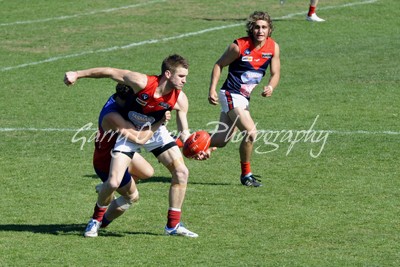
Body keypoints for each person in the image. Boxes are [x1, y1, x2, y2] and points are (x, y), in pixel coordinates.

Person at [64, 54, 202, 238]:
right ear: (168, 74)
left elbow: (184, 132)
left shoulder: (180, 99)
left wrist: (198, 148)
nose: (185, 80)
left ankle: (173, 226)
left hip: (155, 130)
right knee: (113, 181)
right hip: (130, 131)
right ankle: (95, 220)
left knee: (182, 172)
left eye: (186, 76)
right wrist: (77, 74)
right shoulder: (142, 82)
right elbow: (111, 72)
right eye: (181, 76)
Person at [208, 11, 280, 187]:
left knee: (221, 140)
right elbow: (219, 64)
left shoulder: (273, 48)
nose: (260, 31)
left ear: (270, 29)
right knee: (250, 133)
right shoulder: (239, 46)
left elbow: (275, 72)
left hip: (243, 98)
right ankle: (246, 174)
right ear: (251, 29)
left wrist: (271, 86)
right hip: (230, 94)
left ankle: (176, 141)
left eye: (264, 27)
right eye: (257, 27)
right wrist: (212, 89)